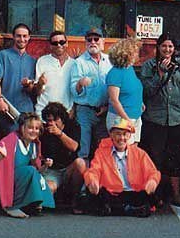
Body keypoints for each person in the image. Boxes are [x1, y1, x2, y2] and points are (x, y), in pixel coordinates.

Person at [140, 33, 180, 206]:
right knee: (155, 158)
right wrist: (160, 74)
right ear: (158, 47)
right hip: (155, 118)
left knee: (175, 158)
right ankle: (155, 194)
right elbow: (147, 91)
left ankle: (176, 194)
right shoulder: (149, 65)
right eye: (164, 46)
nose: (167, 49)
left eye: (170, 46)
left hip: (177, 118)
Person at [0, 112, 55, 218]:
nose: (34, 131)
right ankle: (11, 206)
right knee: (29, 170)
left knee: (32, 171)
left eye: (37, 128)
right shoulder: (10, 141)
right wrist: (0, 157)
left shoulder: (34, 145)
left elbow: (36, 172)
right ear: (22, 128)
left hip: (13, 180)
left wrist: (46, 165)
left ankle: (33, 204)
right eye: (30, 128)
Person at [81, 118, 160, 217]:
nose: (122, 138)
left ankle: (120, 209)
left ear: (129, 136)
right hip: (111, 193)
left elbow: (152, 172)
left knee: (147, 196)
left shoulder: (140, 153)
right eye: (118, 134)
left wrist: (153, 181)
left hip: (133, 193)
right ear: (111, 135)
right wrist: (92, 181)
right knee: (98, 196)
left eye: (125, 134)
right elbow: (94, 170)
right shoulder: (101, 152)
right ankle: (128, 209)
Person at [69, 28, 113, 159]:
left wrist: (107, 107)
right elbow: (74, 91)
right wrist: (80, 83)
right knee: (84, 151)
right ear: (86, 42)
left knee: (105, 149)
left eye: (96, 39)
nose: (93, 42)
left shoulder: (111, 61)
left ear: (103, 41)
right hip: (85, 112)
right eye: (89, 39)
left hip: (106, 111)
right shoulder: (79, 63)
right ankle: (84, 172)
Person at [0, 23, 37, 135]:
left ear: (29, 37)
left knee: (27, 140)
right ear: (13, 37)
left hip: (27, 109)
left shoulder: (33, 61)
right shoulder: (3, 55)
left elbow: (33, 89)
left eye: (25, 36)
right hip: (7, 109)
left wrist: (28, 85)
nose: (22, 39)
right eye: (18, 36)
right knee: (10, 141)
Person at [39, 102, 85, 209]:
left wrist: (59, 134)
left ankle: (75, 199)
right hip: (52, 171)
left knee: (80, 163)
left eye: (55, 120)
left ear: (62, 119)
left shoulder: (73, 126)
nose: (52, 123)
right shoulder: (43, 131)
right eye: (49, 120)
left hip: (68, 168)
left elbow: (74, 147)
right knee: (49, 188)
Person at [105, 37, 144, 143]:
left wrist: (140, 103)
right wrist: (126, 119)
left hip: (135, 116)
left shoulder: (129, 69)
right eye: (135, 51)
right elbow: (114, 100)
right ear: (127, 54)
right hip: (120, 118)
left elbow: (132, 90)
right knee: (123, 149)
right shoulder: (115, 73)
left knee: (133, 148)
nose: (138, 54)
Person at [32, 31, 74, 116]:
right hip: (44, 112)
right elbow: (37, 92)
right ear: (50, 46)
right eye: (55, 43)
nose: (58, 45)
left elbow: (76, 92)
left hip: (66, 114)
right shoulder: (42, 61)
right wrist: (40, 83)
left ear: (67, 43)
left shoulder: (74, 64)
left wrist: (73, 110)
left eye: (62, 42)